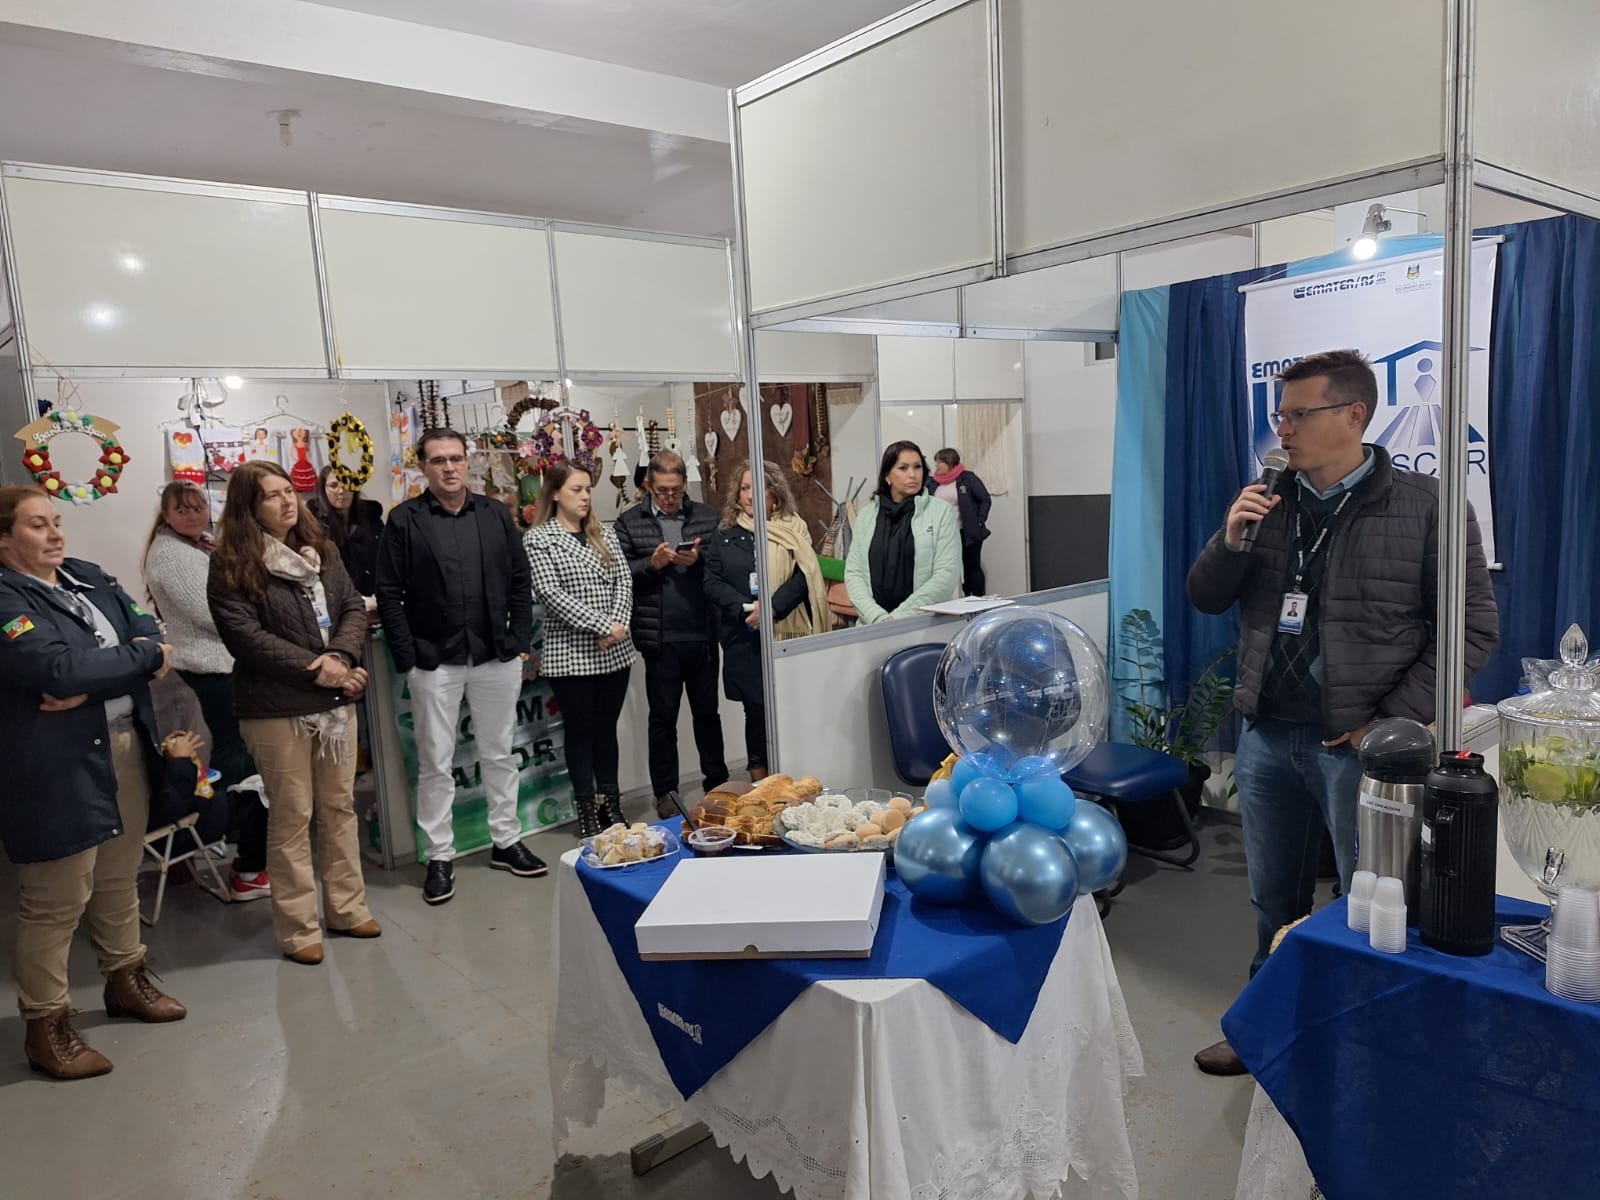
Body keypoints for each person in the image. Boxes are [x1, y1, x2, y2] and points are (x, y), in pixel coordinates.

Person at [1185, 348, 1499, 1076]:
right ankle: (1264, 1027)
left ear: (1354, 415)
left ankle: (1365, 1052)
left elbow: (1471, 630)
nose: (1283, 430)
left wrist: (1389, 724)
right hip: (1268, 737)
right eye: (1280, 415)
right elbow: (1206, 596)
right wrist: (1229, 541)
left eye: (1300, 415)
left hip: (1360, 750)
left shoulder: (1429, 506)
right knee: (1273, 901)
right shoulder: (1266, 501)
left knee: (1373, 906)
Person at [0, 485, 187, 1079]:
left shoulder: (87, 575)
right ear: (3, 538)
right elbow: (56, 668)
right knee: (54, 900)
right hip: (53, 764)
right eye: (37, 525)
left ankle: (125, 980)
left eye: (56, 521)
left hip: (124, 744)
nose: (56, 533)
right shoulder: (6, 597)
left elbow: (149, 631)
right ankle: (46, 1025)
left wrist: (97, 683)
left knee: (118, 875)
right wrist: (136, 660)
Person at [208, 461, 381, 964]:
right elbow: (245, 637)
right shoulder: (231, 563)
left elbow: (351, 608)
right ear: (248, 506)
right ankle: (299, 928)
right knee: (291, 815)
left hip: (333, 703)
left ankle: (347, 909)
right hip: (276, 708)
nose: (287, 501)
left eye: (289, 491)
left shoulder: (321, 550)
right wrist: (319, 669)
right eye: (272, 495)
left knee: (339, 808)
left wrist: (341, 658)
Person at [375, 428, 542, 906]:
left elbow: (519, 578)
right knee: (436, 763)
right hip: (434, 661)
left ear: (468, 462)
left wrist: (518, 640)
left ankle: (506, 840)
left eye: (455, 458)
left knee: (500, 753)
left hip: (494, 655)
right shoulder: (404, 520)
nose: (449, 467)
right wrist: (408, 658)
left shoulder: (494, 514)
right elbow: (388, 592)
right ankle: (440, 855)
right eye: (438, 460)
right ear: (423, 467)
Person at [143, 481, 271, 902]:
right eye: (182, 509)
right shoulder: (171, 554)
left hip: (226, 665)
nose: (193, 515)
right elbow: (214, 612)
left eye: (198, 507)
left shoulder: (200, 546)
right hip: (212, 670)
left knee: (239, 760)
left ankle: (243, 854)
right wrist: (262, 614)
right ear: (166, 515)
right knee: (240, 765)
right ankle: (247, 864)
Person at [523, 462, 636, 839]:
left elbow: (624, 581)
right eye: (576, 489)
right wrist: (604, 626)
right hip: (570, 655)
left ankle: (611, 803)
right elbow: (550, 594)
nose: (585, 496)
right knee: (580, 733)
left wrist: (617, 627)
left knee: (606, 731)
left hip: (615, 652)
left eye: (588, 489)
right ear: (555, 493)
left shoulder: (605, 533)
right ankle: (586, 807)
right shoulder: (539, 539)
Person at [613, 450, 727, 819]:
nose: (669, 498)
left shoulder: (706, 517)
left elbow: (723, 566)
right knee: (663, 719)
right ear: (649, 485)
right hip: (659, 637)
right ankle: (665, 792)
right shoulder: (630, 522)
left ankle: (717, 783)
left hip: (702, 632)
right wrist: (653, 563)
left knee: (707, 714)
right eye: (662, 491)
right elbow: (618, 573)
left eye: (676, 490)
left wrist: (699, 561)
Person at [703, 462, 829, 780]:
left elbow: (805, 576)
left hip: (788, 631)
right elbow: (712, 582)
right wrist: (747, 609)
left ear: (775, 493)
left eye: (757, 488)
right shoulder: (725, 535)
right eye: (744, 488)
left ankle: (798, 776)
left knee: (793, 707)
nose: (750, 495)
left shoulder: (795, 530)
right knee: (756, 711)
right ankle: (759, 782)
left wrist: (771, 609)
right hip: (744, 635)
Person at [844, 440, 961, 624]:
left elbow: (946, 575)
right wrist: (877, 617)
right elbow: (854, 572)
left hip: (923, 625)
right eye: (903, 468)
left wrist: (897, 619)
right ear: (887, 476)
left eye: (918, 467)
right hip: (872, 626)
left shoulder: (940, 512)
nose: (913, 474)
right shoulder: (867, 515)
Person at [309, 464, 385, 598]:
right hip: (335, 598)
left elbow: (385, 558)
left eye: (346, 483)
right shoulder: (315, 524)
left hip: (374, 595)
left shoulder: (371, 517)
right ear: (323, 489)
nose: (341, 490)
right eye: (334, 485)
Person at [927, 448, 994, 596]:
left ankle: (977, 598)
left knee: (971, 567)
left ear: (950, 462)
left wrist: (979, 521)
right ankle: (958, 598)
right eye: (936, 462)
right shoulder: (932, 483)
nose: (936, 466)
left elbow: (985, 499)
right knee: (948, 568)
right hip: (944, 534)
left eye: (940, 462)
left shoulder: (967, 478)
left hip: (966, 532)